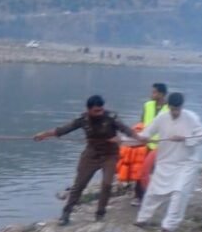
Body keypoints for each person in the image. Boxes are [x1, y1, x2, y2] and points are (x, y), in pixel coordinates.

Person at [34, 95, 141, 225]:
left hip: (110, 155)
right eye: (96, 111)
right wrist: (44, 135)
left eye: (101, 110)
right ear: (89, 110)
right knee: (79, 185)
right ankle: (66, 213)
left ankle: (100, 214)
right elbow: (63, 130)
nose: (100, 113)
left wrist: (138, 137)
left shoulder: (111, 117)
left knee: (107, 184)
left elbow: (126, 129)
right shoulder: (83, 119)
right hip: (91, 154)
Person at [134, 92, 202, 232]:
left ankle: (169, 226)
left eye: (177, 109)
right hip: (166, 161)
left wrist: (186, 138)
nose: (175, 112)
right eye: (172, 109)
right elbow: (146, 133)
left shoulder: (192, 118)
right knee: (153, 192)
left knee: (179, 193)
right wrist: (133, 139)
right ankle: (142, 219)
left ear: (182, 106)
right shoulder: (161, 118)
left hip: (186, 163)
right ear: (168, 106)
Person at [129, 83, 169, 205]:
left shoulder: (169, 108)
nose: (152, 94)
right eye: (152, 92)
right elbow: (142, 122)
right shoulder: (147, 105)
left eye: (154, 92)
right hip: (147, 144)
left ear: (161, 94)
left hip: (163, 146)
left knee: (160, 173)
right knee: (142, 170)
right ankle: (139, 196)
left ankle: (159, 196)